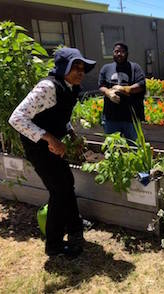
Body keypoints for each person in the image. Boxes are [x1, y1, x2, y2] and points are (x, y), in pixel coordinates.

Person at [9, 48, 96, 258]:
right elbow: (16, 118)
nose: (80, 72)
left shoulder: (70, 87)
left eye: (83, 68)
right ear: (63, 68)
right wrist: (49, 138)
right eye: (76, 67)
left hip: (52, 143)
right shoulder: (47, 87)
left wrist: (70, 132)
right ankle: (54, 245)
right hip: (38, 146)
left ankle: (75, 225)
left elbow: (59, 114)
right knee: (59, 191)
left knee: (67, 183)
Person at [98, 42, 146, 140]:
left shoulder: (134, 67)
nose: (119, 54)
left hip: (131, 117)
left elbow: (141, 85)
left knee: (133, 147)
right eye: (116, 51)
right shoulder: (106, 68)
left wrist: (125, 89)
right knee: (113, 148)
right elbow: (101, 86)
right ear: (113, 53)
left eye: (122, 52)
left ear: (127, 53)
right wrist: (108, 93)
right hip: (111, 117)